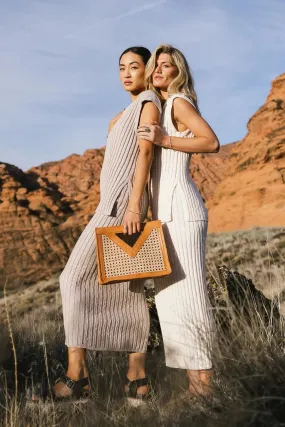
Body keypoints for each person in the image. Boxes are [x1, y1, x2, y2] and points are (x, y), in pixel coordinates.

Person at [50, 46, 161, 401]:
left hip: (119, 208)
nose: (126, 73)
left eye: (134, 66)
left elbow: (145, 152)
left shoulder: (148, 103)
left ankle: (77, 376)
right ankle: (136, 378)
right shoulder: (128, 111)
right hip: (110, 205)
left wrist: (133, 207)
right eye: (121, 68)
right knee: (126, 290)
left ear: (149, 69)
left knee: (73, 278)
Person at [137, 44, 219, 396]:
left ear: (178, 72)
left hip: (183, 211)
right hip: (166, 214)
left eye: (166, 65)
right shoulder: (160, 105)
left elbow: (211, 142)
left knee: (191, 296)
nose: (158, 69)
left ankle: (206, 386)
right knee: (171, 299)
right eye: (156, 64)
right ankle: (193, 385)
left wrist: (164, 139)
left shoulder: (178, 103)